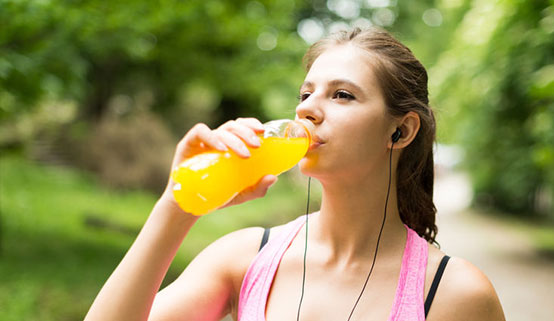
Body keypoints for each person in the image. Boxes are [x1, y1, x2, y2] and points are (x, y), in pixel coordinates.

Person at [85, 28, 505, 321]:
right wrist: (176, 207)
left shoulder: (453, 294)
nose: (306, 109)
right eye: (305, 94)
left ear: (401, 130)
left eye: (342, 95)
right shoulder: (247, 259)